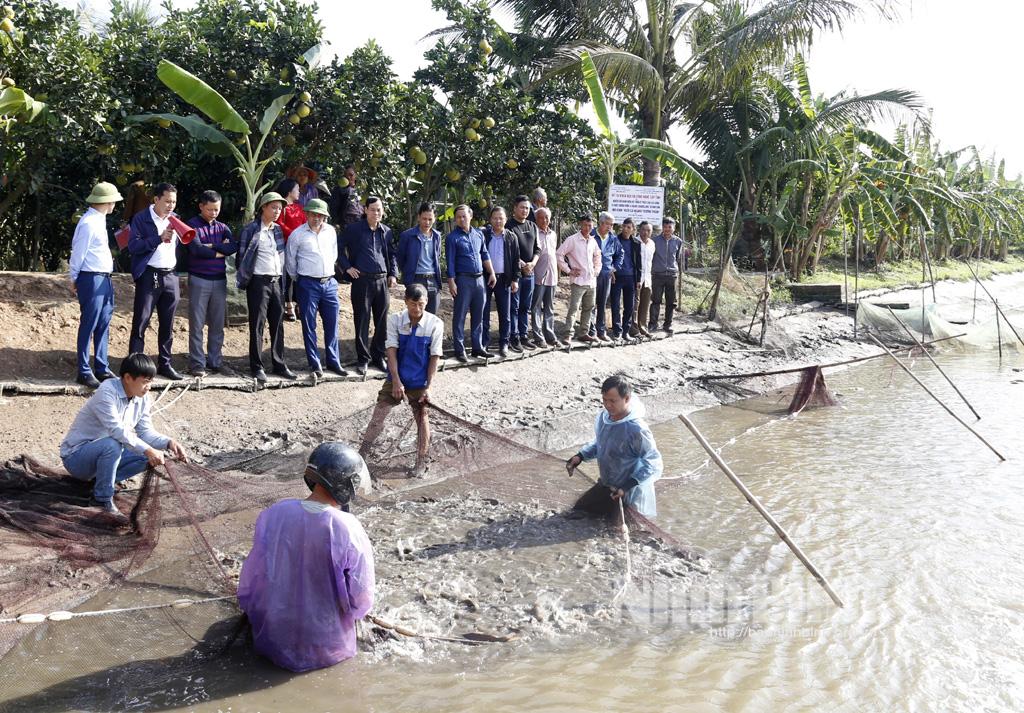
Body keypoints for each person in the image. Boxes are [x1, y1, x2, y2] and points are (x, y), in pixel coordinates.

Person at [238, 442, 375, 673]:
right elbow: (361, 599)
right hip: (327, 647)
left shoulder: (276, 513)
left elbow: (252, 576)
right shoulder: (348, 527)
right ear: (347, 483)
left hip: (272, 637)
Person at [59, 353, 188, 521]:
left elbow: (146, 433)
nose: (149, 387)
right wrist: (148, 449)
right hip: (76, 458)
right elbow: (117, 431)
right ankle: (101, 499)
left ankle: (102, 482)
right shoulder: (106, 392)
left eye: (151, 381)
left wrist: (169, 443)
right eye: (145, 381)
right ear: (127, 378)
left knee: (148, 456)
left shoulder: (142, 398)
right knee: (113, 445)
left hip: (105, 454)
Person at [359, 283, 442, 475]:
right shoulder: (395, 320)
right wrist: (396, 381)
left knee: (422, 418)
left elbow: (434, 357)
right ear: (405, 302)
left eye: (421, 304)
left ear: (426, 302)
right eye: (413, 304)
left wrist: (428, 388)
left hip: (420, 381)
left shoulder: (435, 323)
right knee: (378, 415)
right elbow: (391, 351)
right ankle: (362, 454)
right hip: (396, 377)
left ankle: (421, 461)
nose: (417, 309)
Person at [565, 375, 662, 518]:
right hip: (607, 485)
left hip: (630, 491)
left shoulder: (637, 430)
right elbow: (601, 443)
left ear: (626, 399)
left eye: (612, 401)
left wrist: (627, 486)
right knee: (577, 512)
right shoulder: (604, 418)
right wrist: (580, 456)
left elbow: (653, 463)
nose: (607, 405)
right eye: (604, 400)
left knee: (619, 527)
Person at [237, 192, 296, 384]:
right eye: (273, 207)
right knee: (257, 325)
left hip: (277, 281)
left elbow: (281, 257)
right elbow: (242, 257)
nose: (277, 211)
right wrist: (245, 279)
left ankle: (279, 364)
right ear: (263, 207)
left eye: (279, 208)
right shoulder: (251, 229)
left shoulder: (277, 230)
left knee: (278, 324)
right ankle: (257, 366)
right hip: (258, 282)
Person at [127, 182, 184, 381]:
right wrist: (158, 238)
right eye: (167, 201)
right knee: (141, 321)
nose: (171, 206)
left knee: (168, 323)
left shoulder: (176, 219)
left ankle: (165, 365)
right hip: (149, 275)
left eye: (174, 202)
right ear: (156, 199)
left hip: (171, 275)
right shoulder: (141, 218)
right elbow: (133, 246)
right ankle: (135, 366)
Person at [69, 181, 123, 389]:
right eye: (113, 201)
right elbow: (78, 252)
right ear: (107, 202)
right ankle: (84, 370)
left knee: (103, 322)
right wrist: (74, 278)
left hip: (103, 277)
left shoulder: (99, 220)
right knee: (89, 323)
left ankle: (101, 367)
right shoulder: (89, 223)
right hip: (91, 277)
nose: (114, 205)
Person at [285, 198, 346, 378]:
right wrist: (300, 279)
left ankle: (334, 361)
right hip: (307, 283)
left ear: (325, 216)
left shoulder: (331, 231)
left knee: (332, 323)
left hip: (329, 282)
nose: (316, 218)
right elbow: (290, 262)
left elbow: (334, 254)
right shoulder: (297, 235)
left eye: (320, 215)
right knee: (309, 324)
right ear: (307, 214)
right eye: (313, 214)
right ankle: (315, 363)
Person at [337, 195, 397, 375]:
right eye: (372, 209)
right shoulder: (354, 229)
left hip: (382, 281)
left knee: (382, 322)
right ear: (365, 210)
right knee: (362, 320)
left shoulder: (386, 231)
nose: (376, 213)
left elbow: (392, 254)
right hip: (362, 281)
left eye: (379, 210)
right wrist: (347, 267)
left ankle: (378, 356)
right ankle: (363, 359)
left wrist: (393, 274)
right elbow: (338, 248)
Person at [185, 190, 237, 378]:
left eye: (217, 209)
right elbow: (197, 249)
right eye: (210, 209)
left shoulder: (222, 227)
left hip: (220, 280)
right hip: (199, 279)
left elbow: (233, 247)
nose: (214, 213)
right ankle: (197, 364)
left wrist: (211, 246)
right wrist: (219, 250)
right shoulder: (192, 225)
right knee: (197, 325)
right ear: (201, 206)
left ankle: (215, 361)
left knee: (217, 324)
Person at [445, 204, 496, 363]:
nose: (461, 219)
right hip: (463, 280)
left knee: (479, 314)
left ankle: (477, 347)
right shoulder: (452, 238)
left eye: (464, 216)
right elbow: (450, 261)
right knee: (460, 315)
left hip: (480, 279)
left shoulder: (478, 234)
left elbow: (484, 254)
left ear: (470, 216)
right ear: (455, 219)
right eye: (458, 217)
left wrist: (492, 272)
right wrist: (451, 281)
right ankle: (459, 349)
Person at [555, 214, 601, 343]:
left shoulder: (593, 240)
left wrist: (596, 270)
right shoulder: (572, 240)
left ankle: (583, 333)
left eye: (590, 225)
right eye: (585, 225)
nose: (587, 228)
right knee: (574, 308)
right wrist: (569, 270)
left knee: (589, 308)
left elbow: (598, 256)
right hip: (578, 281)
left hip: (591, 281)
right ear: (580, 224)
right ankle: (568, 334)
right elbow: (559, 254)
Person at [481, 206, 521, 358]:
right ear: (490, 220)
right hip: (486, 278)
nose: (498, 221)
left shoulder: (511, 237)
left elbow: (516, 260)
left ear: (505, 220)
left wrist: (515, 279)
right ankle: (484, 343)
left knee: (505, 314)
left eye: (501, 218)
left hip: (504, 279)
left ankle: (504, 343)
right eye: (495, 218)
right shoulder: (484, 235)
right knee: (484, 312)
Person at [395, 202, 443, 314]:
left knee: (431, 317)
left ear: (434, 219)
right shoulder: (407, 236)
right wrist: (408, 277)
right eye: (424, 219)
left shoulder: (437, 236)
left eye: (430, 219)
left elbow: (438, 256)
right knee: (416, 314)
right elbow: (400, 258)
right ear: (418, 217)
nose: (427, 222)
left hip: (433, 281)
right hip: (416, 279)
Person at [506, 195, 540, 351]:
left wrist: (532, 264)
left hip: (530, 273)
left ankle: (524, 336)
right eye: (522, 207)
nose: (525, 210)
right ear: (515, 208)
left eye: (527, 208)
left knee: (525, 307)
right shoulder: (509, 226)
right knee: (514, 307)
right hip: (515, 275)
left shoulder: (532, 226)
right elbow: (509, 250)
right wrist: (522, 265)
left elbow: (537, 249)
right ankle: (514, 337)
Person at [274, 178, 306, 322]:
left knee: (300, 273)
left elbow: (305, 223)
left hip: (301, 245)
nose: (299, 192)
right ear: (289, 191)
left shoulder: (299, 207)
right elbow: (279, 224)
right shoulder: (282, 207)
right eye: (296, 189)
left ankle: (299, 303)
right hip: (287, 245)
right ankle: (288, 304)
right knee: (287, 275)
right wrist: (295, 235)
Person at [589, 211, 623, 342]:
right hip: (592, 274)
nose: (610, 227)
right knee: (591, 303)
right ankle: (591, 331)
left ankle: (601, 331)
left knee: (602, 304)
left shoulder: (613, 239)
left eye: (612, 225)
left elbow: (620, 254)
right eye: (608, 224)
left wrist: (614, 268)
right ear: (601, 223)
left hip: (606, 274)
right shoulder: (591, 235)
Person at [530, 207, 562, 347]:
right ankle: (538, 337)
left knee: (549, 307)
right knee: (536, 307)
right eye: (541, 217)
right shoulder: (534, 233)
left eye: (547, 217)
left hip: (552, 276)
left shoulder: (553, 234)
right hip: (538, 276)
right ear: (536, 219)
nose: (544, 220)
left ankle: (550, 335)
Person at [650, 217, 684, 335]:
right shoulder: (654, 240)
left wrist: (674, 270)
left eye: (670, 227)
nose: (667, 229)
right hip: (657, 275)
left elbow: (677, 257)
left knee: (671, 302)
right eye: (665, 227)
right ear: (662, 228)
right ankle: (653, 324)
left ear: (674, 228)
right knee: (656, 300)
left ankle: (668, 324)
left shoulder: (678, 241)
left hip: (671, 275)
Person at [610, 218, 640, 342]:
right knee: (615, 305)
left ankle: (625, 331)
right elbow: (610, 257)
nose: (626, 229)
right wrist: (612, 271)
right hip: (617, 277)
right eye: (624, 226)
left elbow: (638, 262)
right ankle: (617, 331)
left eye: (629, 227)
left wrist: (638, 279)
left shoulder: (636, 243)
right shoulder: (614, 240)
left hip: (631, 277)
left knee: (629, 306)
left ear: (633, 229)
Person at [632, 221, 655, 338]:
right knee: (634, 305)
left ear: (651, 232)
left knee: (645, 305)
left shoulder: (652, 244)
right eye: (643, 230)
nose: (645, 232)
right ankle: (633, 329)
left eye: (648, 230)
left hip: (647, 278)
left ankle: (642, 327)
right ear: (639, 230)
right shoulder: (634, 242)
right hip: (636, 278)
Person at [329, 165, 364, 231]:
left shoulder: (359, 190)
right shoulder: (339, 190)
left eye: (351, 175)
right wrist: (336, 222)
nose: (348, 177)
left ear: (355, 176)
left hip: (360, 223)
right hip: (346, 224)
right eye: (346, 175)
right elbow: (334, 206)